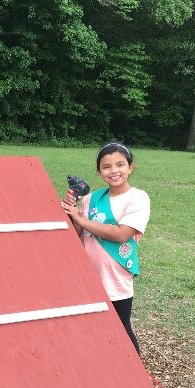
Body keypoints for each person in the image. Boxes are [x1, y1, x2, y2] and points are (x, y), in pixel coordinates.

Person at [61, 141, 151, 354]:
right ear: (99, 172)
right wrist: (71, 214)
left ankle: (134, 377)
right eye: (106, 166)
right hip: (88, 274)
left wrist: (81, 220)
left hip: (115, 277)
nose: (114, 171)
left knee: (121, 329)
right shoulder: (91, 199)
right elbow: (77, 235)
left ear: (131, 167)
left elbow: (122, 234)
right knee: (90, 329)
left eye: (120, 165)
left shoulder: (138, 198)